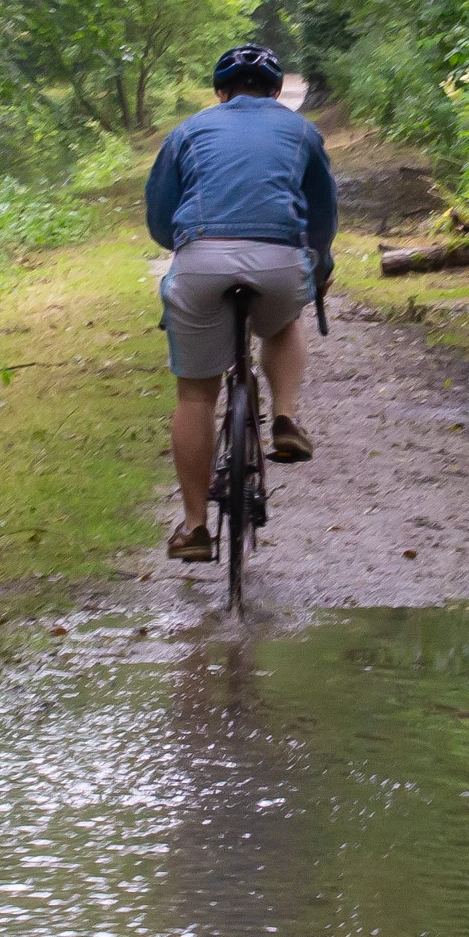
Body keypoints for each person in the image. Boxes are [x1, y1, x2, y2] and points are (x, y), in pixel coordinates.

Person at [145, 44, 336, 563]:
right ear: (277, 93)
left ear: (219, 92)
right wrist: (317, 268)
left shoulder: (187, 131)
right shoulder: (303, 130)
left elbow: (161, 221)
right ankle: (287, 419)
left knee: (195, 395)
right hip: (278, 260)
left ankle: (195, 528)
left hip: (202, 258)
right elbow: (323, 215)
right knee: (281, 322)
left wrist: (192, 245)